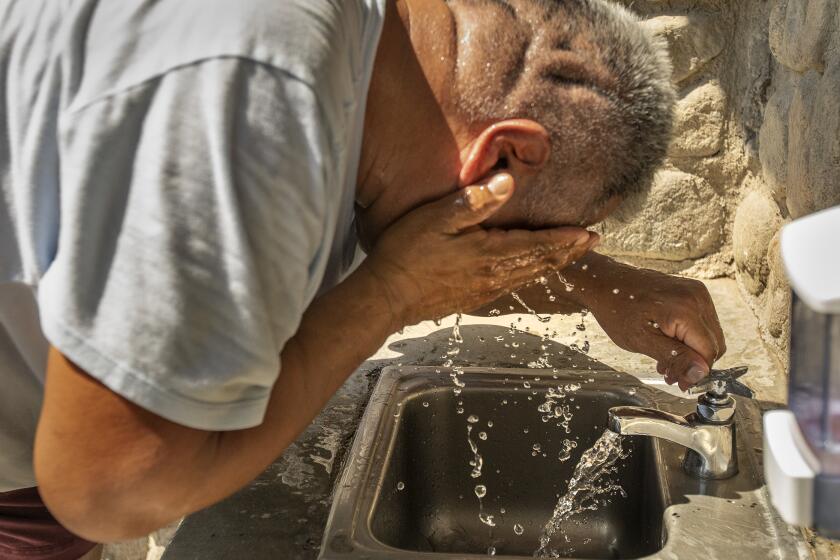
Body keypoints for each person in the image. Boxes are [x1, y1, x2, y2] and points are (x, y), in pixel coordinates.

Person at [0, 0, 725, 556]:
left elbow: (430, 252)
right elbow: (113, 485)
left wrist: (601, 284)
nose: (504, 263)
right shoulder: (254, 100)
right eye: (525, 237)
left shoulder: (374, 67)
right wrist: (388, 296)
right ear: (500, 161)